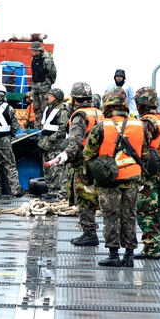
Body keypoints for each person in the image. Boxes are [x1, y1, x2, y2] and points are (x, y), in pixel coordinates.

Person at [83, 87, 146, 268]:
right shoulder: (138, 125)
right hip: (132, 178)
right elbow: (145, 154)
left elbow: (88, 154)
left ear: (107, 104)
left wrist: (93, 175)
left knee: (111, 216)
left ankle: (113, 254)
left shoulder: (101, 127)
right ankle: (129, 255)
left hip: (110, 179)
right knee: (129, 216)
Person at [45, 81, 103, 246]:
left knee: (84, 198)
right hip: (98, 161)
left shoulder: (80, 115)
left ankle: (89, 233)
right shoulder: (99, 112)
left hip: (82, 163)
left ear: (76, 99)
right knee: (92, 197)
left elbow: (75, 142)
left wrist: (63, 156)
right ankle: (90, 232)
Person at [134, 86, 160, 260]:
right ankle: (156, 246)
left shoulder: (147, 122)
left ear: (141, 104)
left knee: (146, 209)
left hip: (148, 172)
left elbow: (140, 146)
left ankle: (150, 249)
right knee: (158, 209)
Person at [38, 87, 70, 200]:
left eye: (51, 96)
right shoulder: (48, 109)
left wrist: (52, 138)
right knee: (46, 167)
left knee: (56, 168)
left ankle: (57, 191)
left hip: (55, 144)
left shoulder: (63, 111)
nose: (49, 97)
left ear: (57, 98)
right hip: (45, 143)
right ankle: (51, 189)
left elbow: (62, 128)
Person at [28, 40, 57, 128]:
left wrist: (49, 83)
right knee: (36, 108)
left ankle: (45, 125)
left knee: (45, 108)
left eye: (33, 50)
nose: (32, 52)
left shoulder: (47, 60)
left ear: (38, 50)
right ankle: (37, 126)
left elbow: (53, 72)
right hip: (35, 87)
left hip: (44, 88)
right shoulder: (33, 58)